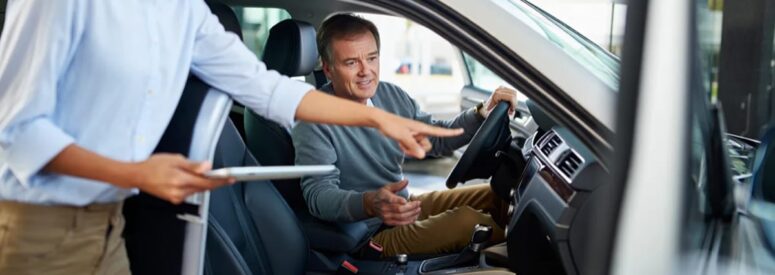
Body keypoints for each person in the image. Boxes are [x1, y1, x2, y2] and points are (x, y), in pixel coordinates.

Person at [0, 2, 462, 274]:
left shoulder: (186, 12)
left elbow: (265, 88)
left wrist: (378, 119)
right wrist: (136, 173)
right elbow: (17, 132)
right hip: (41, 226)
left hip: (110, 221)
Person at [293, 13, 518, 256]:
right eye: (351, 63)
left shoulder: (391, 95)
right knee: (468, 222)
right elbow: (318, 195)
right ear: (328, 69)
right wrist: (369, 203)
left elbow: (435, 139)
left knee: (496, 194)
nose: (366, 71)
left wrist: (481, 113)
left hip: (405, 206)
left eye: (371, 58)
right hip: (368, 234)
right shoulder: (313, 118)